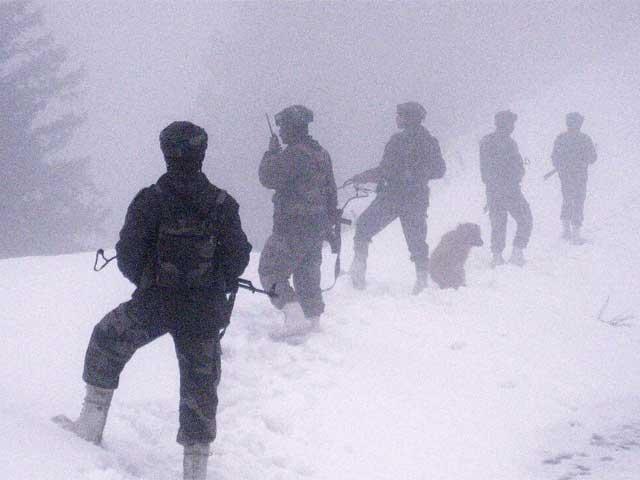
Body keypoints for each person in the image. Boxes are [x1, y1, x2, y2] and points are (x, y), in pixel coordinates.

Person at [53, 121, 252, 480]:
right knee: (201, 387)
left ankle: (89, 427)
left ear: (166, 153)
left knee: (106, 340)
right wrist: (213, 285)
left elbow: (128, 254)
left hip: (155, 304)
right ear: (201, 153)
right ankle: (195, 470)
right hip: (204, 311)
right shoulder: (223, 203)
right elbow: (238, 257)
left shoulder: (151, 200)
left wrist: (149, 283)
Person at [348, 101, 446, 294]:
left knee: (364, 227)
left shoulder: (398, 141)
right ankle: (421, 281)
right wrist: (418, 175)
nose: (396, 118)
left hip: (392, 197)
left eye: (399, 115)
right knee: (417, 240)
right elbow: (439, 170)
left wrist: (362, 177)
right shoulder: (428, 141)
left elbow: (384, 170)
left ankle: (358, 273)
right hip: (413, 198)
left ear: (408, 118)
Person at [258, 105, 338, 337]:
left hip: (292, 226)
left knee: (270, 271)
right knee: (307, 275)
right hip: (317, 226)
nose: (281, 132)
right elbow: (331, 191)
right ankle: (313, 323)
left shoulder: (293, 154)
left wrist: (271, 152)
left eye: (283, 127)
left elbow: (267, 177)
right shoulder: (321, 153)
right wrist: (328, 226)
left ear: (293, 128)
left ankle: (294, 316)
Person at [480, 110, 532, 267]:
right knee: (525, 219)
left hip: (493, 190)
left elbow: (485, 170)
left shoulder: (486, 141)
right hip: (510, 190)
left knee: (498, 223)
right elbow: (515, 167)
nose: (513, 127)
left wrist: (493, 186)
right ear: (506, 124)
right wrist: (518, 173)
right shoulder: (509, 143)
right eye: (512, 123)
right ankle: (517, 253)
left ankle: (497, 257)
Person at [551, 112, 597, 244]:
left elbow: (554, 158)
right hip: (580, 176)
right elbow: (592, 158)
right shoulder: (585, 139)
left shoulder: (561, 138)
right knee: (578, 201)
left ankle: (566, 231)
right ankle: (575, 234)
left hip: (565, 176)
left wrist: (562, 166)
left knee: (567, 199)